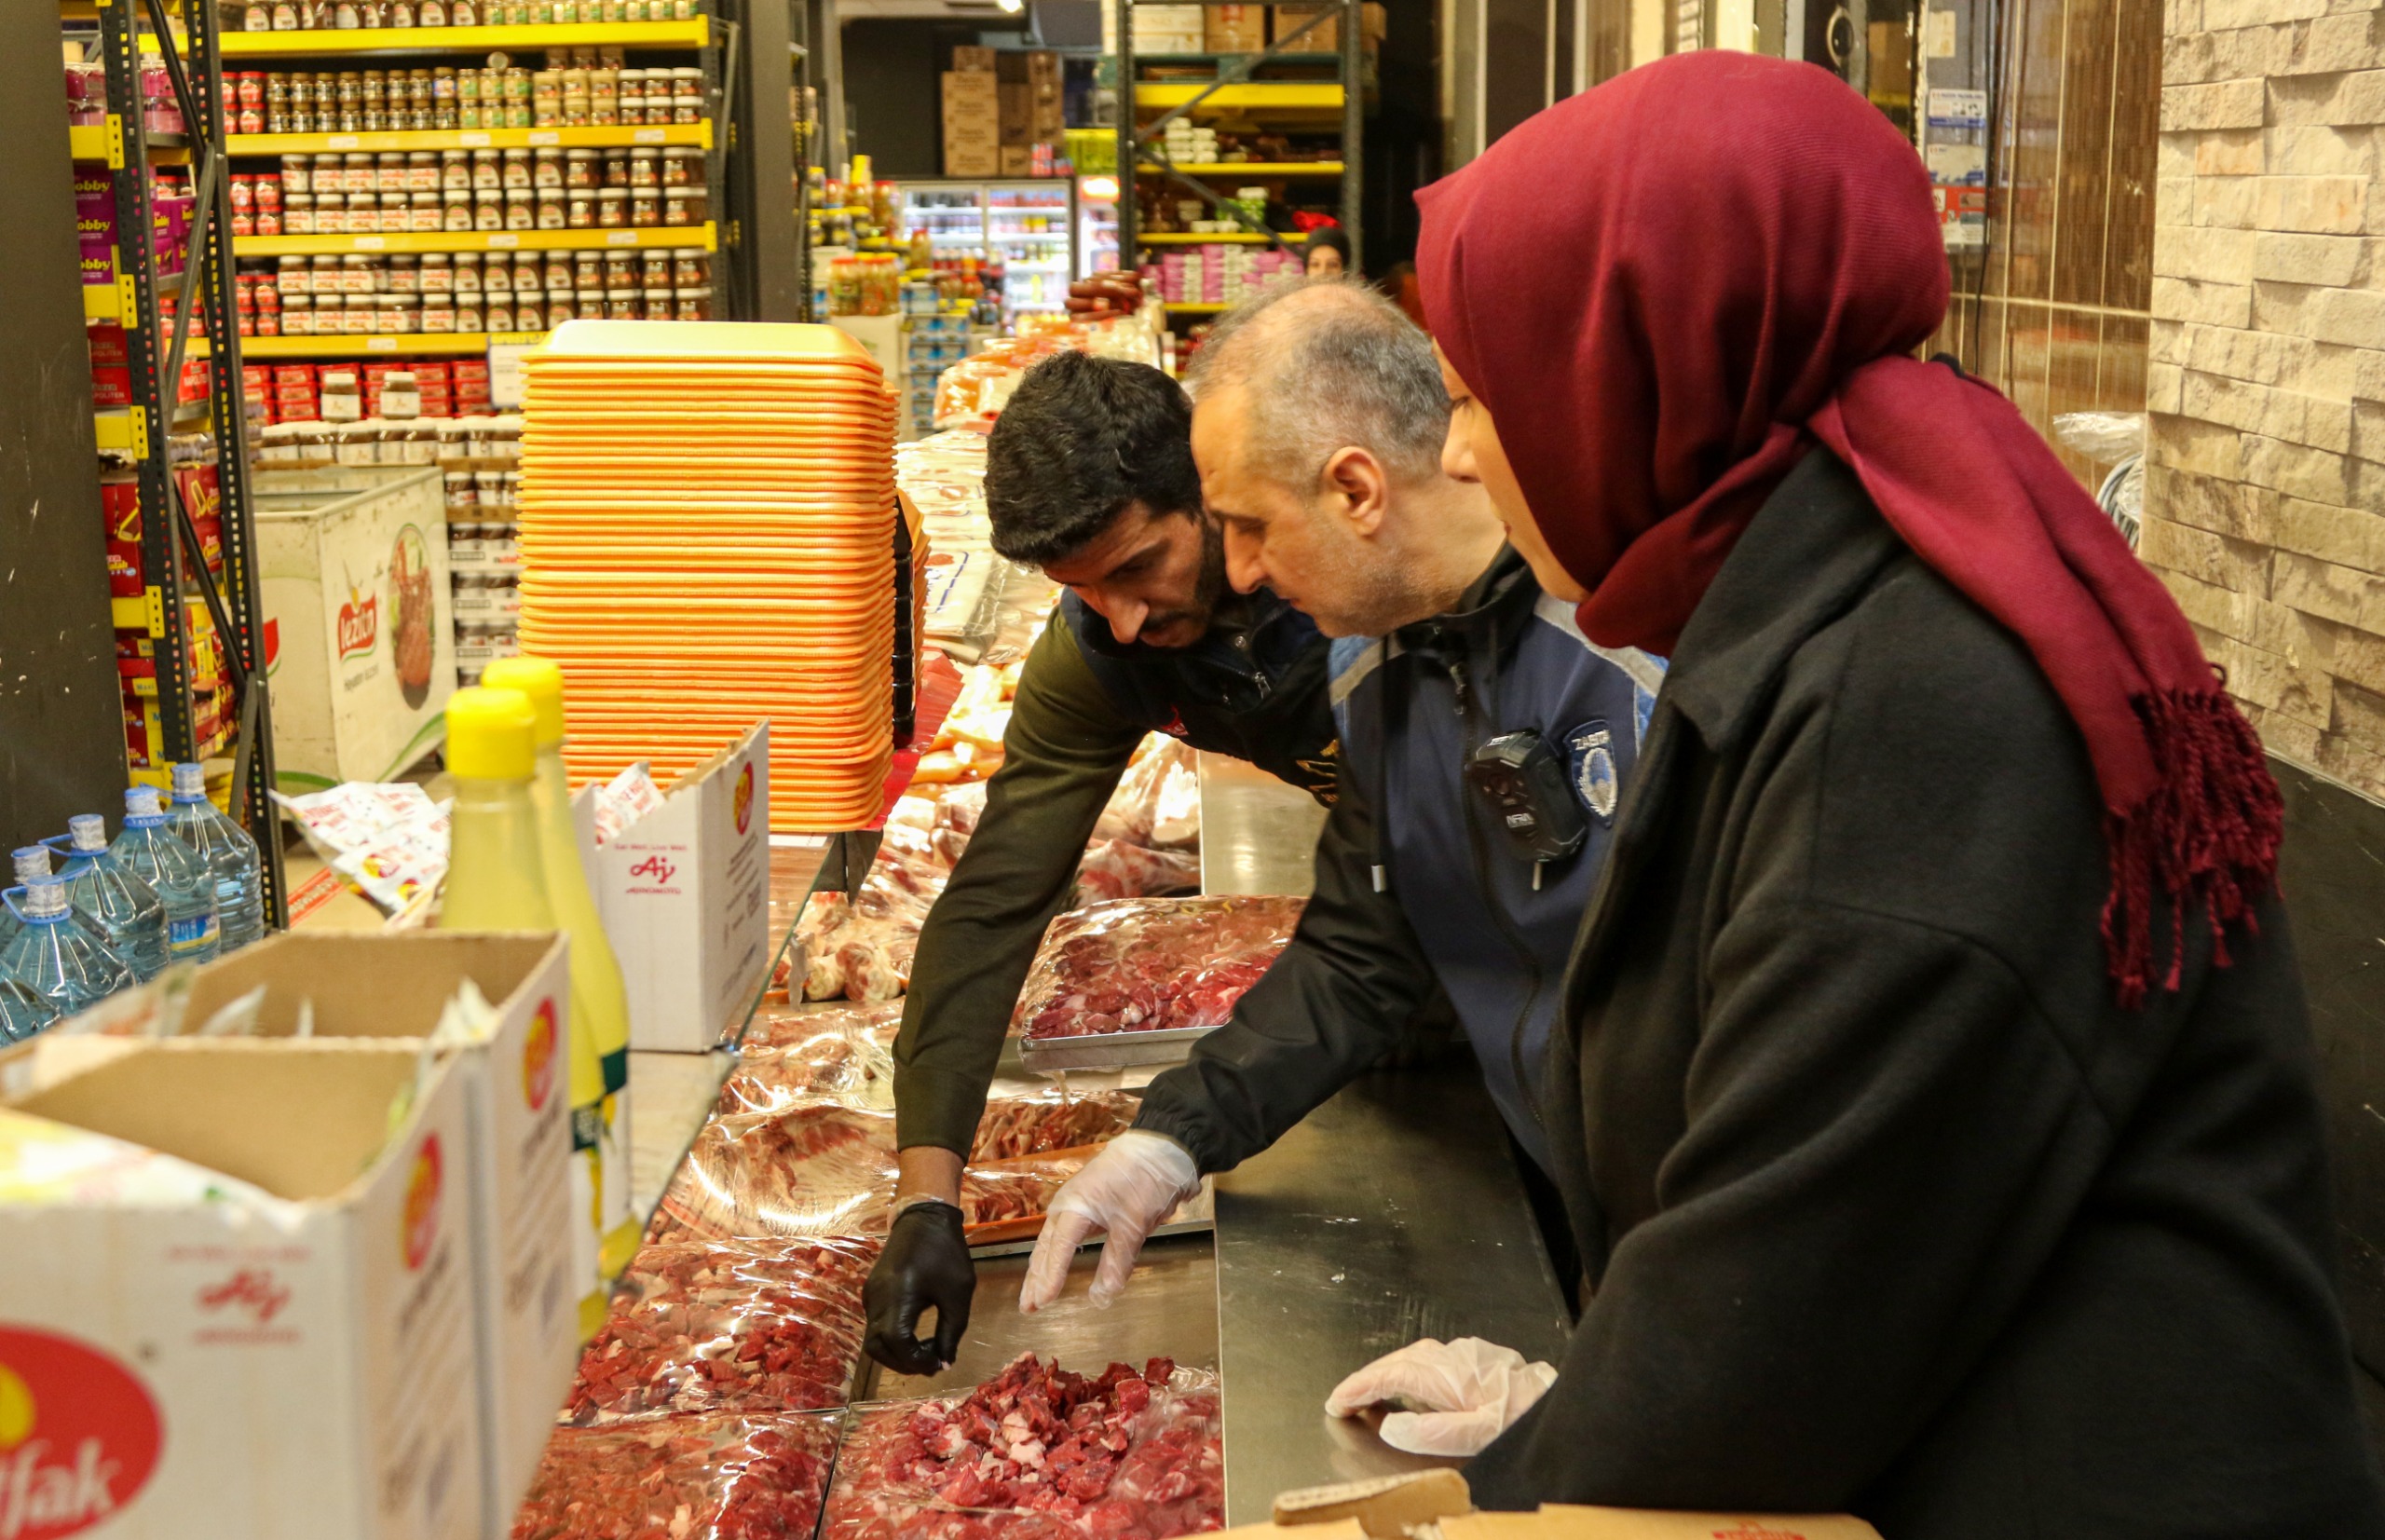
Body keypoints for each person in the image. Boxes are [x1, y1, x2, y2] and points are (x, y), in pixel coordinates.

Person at [1325, 53, 2385, 1535]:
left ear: (1635, 361)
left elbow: (1776, 1307)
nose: (1458, 450)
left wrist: (1508, 1482)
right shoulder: (1809, 604)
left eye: (1477, 391)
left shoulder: (1918, 702)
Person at [1014, 279, 1660, 1312]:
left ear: (1355, 489)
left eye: (1249, 525)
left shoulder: (1634, 638)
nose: (1240, 570)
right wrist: (1173, 1136)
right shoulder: (1372, 664)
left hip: (1707, 1240)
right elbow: (1364, 947)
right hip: (1599, 1211)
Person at [862, 349, 1341, 1376]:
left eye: (1136, 569)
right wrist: (926, 1198)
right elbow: (995, 901)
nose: (1122, 618)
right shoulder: (1097, 648)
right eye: (1082, 591)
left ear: (1211, 493)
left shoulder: (1348, 582)